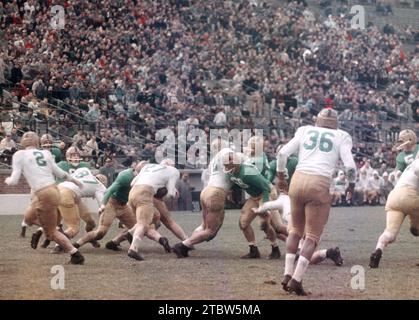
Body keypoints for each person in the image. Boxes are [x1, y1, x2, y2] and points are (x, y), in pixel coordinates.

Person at [277, 108, 356, 295]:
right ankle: (296, 280)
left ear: (317, 120)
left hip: (297, 179)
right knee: (312, 236)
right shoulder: (342, 136)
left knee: (295, 230)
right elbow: (350, 166)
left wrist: (281, 177)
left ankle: (287, 274)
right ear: (335, 122)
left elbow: (282, 154)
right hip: (319, 181)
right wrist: (351, 186)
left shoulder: (304, 130)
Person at [5, 132, 85, 264]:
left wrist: (7, 180)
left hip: (43, 193)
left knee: (51, 232)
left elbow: (13, 180)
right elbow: (59, 173)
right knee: (28, 218)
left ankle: (75, 254)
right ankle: (50, 227)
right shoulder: (46, 154)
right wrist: (74, 180)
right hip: (54, 189)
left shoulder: (19, 154)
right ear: (37, 142)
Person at [172, 143, 233, 258]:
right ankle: (183, 246)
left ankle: (188, 245)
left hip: (206, 191)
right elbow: (232, 167)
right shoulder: (226, 152)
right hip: (216, 193)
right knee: (210, 231)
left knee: (204, 225)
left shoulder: (214, 160)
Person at [223, 151, 287, 260]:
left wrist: (265, 205)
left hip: (266, 193)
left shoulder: (248, 172)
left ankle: (279, 248)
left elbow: (266, 187)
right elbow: (237, 183)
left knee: (271, 225)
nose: (228, 167)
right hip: (254, 196)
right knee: (243, 222)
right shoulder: (230, 172)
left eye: (230, 162)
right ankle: (253, 250)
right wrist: (231, 193)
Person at [369, 158, 419, 268]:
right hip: (409, 194)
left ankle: (378, 249)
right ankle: (415, 227)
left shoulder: (411, 165)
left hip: (393, 197)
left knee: (390, 233)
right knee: (415, 229)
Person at [127, 159, 181, 261]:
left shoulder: (148, 166)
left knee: (141, 223)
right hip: (145, 192)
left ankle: (129, 234)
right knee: (143, 224)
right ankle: (133, 249)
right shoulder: (173, 170)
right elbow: (170, 193)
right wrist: (171, 193)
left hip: (132, 192)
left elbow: (132, 183)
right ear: (171, 165)